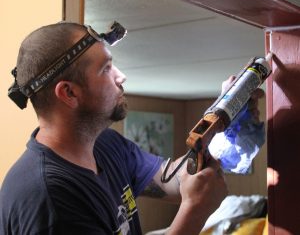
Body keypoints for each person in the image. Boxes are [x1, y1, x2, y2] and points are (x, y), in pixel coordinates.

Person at [0, 21, 264, 235]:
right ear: (69, 92)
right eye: (106, 69)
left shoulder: (105, 145)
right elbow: (190, 197)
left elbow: (176, 179)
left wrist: (223, 114)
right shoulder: (49, 197)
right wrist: (194, 213)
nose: (121, 76)